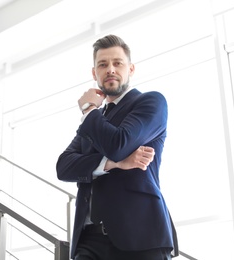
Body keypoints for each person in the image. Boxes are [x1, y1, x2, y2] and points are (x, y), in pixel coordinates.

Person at [56, 34, 178, 260]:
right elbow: (63, 167)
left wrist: (89, 109)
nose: (110, 69)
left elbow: (118, 144)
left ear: (130, 69)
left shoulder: (150, 103)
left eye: (117, 63)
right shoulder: (93, 120)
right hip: (89, 240)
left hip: (141, 236)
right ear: (95, 73)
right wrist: (114, 164)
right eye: (102, 65)